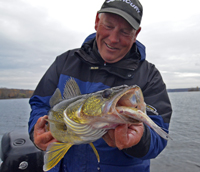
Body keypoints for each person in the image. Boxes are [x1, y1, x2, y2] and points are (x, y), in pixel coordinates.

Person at [28, 0, 172, 172]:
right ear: (97, 21)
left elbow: (159, 137)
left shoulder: (150, 76)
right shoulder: (64, 62)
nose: (113, 39)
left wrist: (139, 140)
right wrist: (36, 131)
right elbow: (39, 104)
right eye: (108, 26)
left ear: (136, 34)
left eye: (125, 31)